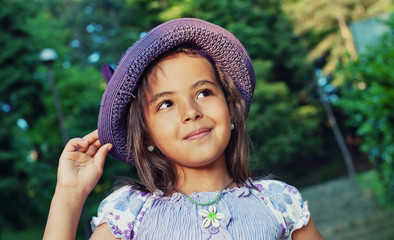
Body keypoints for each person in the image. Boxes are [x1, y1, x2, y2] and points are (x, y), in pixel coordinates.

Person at [43, 18, 324, 240]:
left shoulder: (278, 202)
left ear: (231, 109)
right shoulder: (131, 212)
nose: (191, 112)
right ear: (147, 136)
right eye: (166, 104)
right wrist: (69, 194)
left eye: (203, 93)